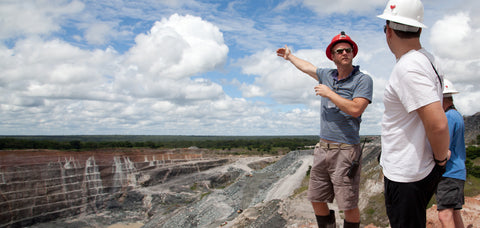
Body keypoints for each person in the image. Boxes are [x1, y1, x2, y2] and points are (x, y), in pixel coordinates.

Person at [277, 31, 373, 228]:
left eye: (348, 50)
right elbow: (307, 67)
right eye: (340, 51)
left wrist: (329, 93)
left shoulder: (362, 80)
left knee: (347, 203)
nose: (345, 53)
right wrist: (289, 56)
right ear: (332, 56)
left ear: (353, 53)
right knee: (316, 197)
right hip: (323, 148)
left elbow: (356, 109)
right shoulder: (326, 75)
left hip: (346, 151)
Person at [377, 0, 451, 227]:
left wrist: (440, 161)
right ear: (419, 29)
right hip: (415, 170)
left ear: (388, 31)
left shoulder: (408, 67)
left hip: (406, 174)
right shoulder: (426, 59)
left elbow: (438, 124)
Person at [436, 79, 466, 228]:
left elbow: (444, 149)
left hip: (450, 173)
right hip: (458, 172)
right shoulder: (456, 115)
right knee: (454, 213)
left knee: (444, 214)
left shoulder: (448, 117)